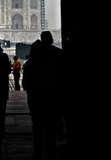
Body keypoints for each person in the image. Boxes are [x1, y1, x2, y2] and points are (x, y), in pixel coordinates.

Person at [22, 31, 65, 160]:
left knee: (37, 126)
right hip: (53, 95)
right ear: (51, 40)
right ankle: (52, 151)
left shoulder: (32, 61)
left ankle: (38, 152)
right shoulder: (58, 54)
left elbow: (25, 83)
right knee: (51, 125)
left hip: (36, 97)